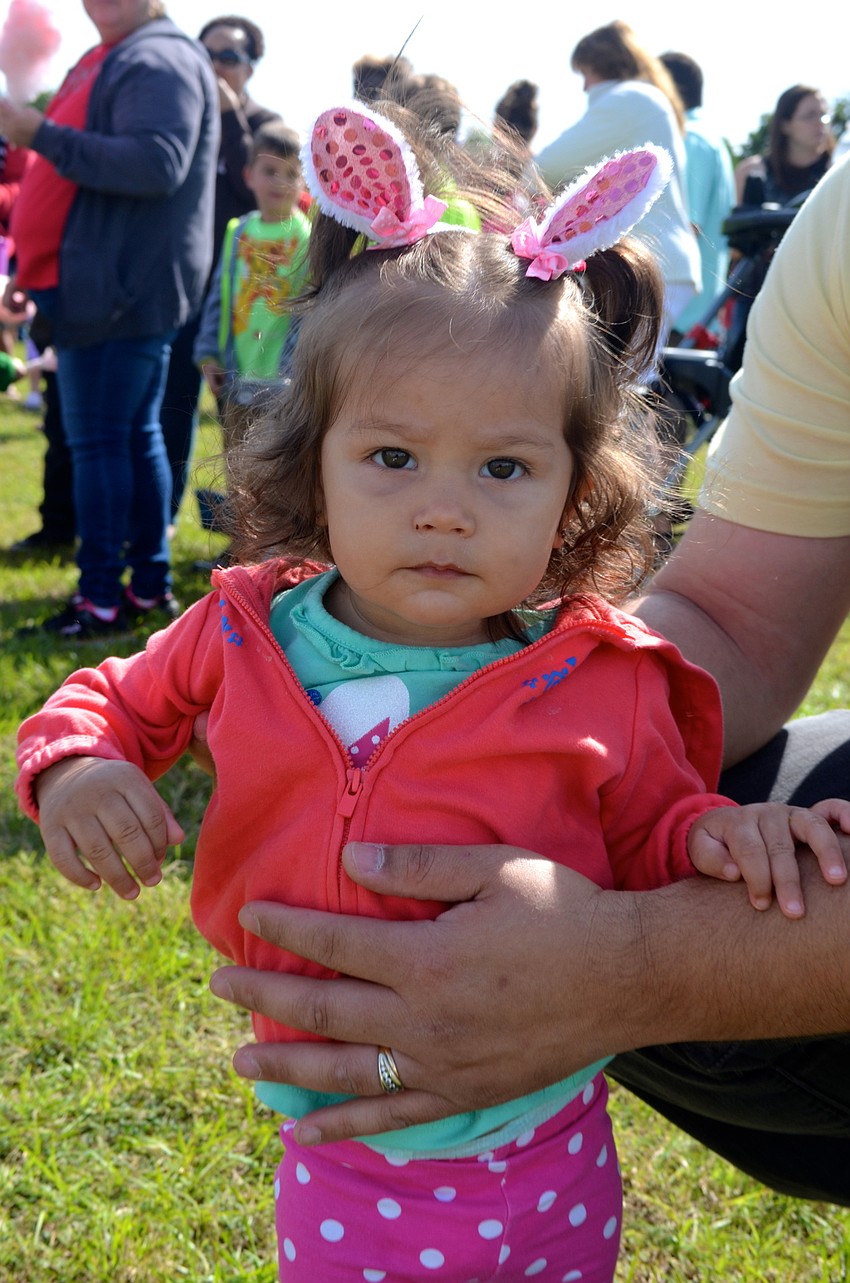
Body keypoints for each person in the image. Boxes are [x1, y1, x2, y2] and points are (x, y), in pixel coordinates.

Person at [16, 103, 850, 1277]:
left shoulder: (602, 674)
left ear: (576, 494)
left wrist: (736, 839)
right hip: (351, 1152)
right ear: (313, 458)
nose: (443, 507)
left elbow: (661, 827)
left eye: (504, 466)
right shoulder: (243, 631)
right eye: (393, 457)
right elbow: (106, 699)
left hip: (551, 1142)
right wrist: (80, 764)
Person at [0, 0, 219, 639]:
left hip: (119, 291)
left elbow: (156, 163)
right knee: (127, 436)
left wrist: (36, 132)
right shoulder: (117, 56)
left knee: (101, 442)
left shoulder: (159, 59)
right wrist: (33, 262)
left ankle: (101, 599)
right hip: (101, 284)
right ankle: (145, 589)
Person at [160, 13, 281, 526]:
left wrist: (231, 118)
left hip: (245, 306)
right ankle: (160, 516)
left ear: (251, 67)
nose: (214, 66)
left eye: (228, 56)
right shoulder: (180, 119)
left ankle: (251, 537)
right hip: (178, 287)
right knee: (168, 411)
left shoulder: (266, 131)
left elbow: (244, 195)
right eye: (205, 53)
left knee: (246, 430)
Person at [535, 20, 700, 340]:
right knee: (628, 380)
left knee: (619, 384)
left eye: (584, 74)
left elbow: (548, 166)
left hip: (645, 264)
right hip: (659, 263)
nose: (584, 88)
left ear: (601, 65)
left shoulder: (628, 99)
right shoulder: (650, 100)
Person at [193, 120, 310, 453]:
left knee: (276, 473)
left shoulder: (306, 237)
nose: (280, 182)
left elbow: (311, 309)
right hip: (237, 377)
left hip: (286, 385)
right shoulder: (239, 231)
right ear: (249, 175)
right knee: (236, 468)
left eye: (291, 173)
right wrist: (207, 352)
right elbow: (219, 294)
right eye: (270, 170)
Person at [659, 51, 735, 340]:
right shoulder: (710, 139)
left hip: (680, 320)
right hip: (698, 319)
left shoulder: (691, 139)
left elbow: (685, 227)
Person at [734, 84, 834, 206]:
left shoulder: (838, 170)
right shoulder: (750, 172)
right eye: (810, 115)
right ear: (785, 125)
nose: (821, 123)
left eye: (823, 115)